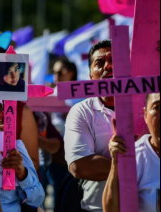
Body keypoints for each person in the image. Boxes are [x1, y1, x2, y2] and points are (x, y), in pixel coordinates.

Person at [64, 40, 117, 212]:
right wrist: (137, 167)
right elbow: (79, 165)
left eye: (115, 60)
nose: (108, 67)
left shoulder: (148, 107)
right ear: (91, 76)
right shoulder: (80, 112)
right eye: (99, 63)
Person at [103, 93, 160, 212]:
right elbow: (111, 210)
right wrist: (116, 162)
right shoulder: (134, 157)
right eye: (157, 107)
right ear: (145, 114)